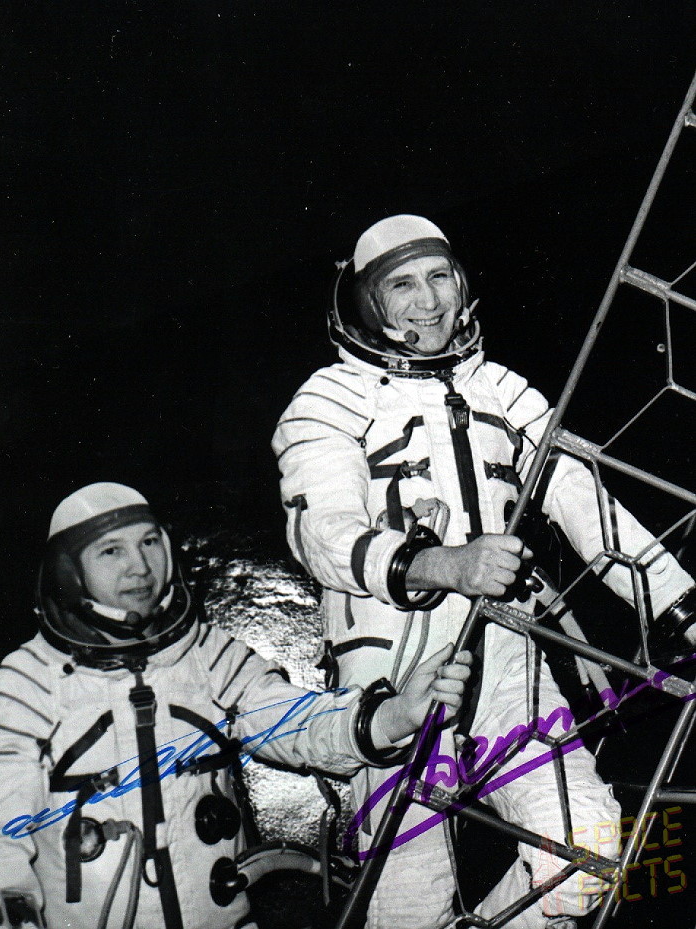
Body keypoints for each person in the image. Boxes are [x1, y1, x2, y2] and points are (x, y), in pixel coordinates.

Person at [272, 214, 696, 929]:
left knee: (589, 853)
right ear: (367, 304)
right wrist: (444, 565)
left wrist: (681, 607)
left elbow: (588, 506)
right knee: (408, 905)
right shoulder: (329, 400)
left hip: (505, 661)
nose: (428, 300)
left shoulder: (502, 390)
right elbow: (320, 533)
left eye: (439, 277)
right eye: (402, 285)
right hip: (391, 671)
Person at [0, 481, 473, 929]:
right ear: (70, 573)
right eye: (111, 551)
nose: (139, 566)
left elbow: (293, 722)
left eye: (149, 543)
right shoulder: (24, 690)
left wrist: (396, 715)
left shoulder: (207, 656)